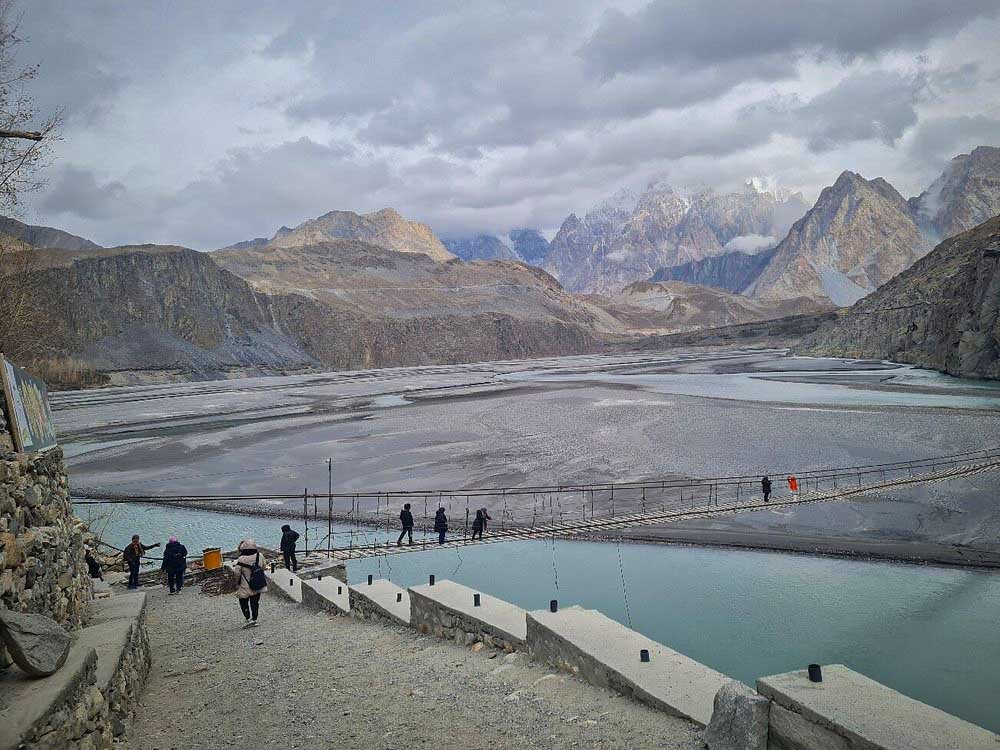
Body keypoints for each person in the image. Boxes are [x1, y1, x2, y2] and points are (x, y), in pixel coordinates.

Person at [235, 539, 267, 627]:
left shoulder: (241, 559)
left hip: (245, 584)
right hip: (257, 583)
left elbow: (237, 573)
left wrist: (236, 583)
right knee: (255, 602)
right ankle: (255, 618)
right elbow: (264, 566)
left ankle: (248, 618)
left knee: (243, 601)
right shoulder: (259, 555)